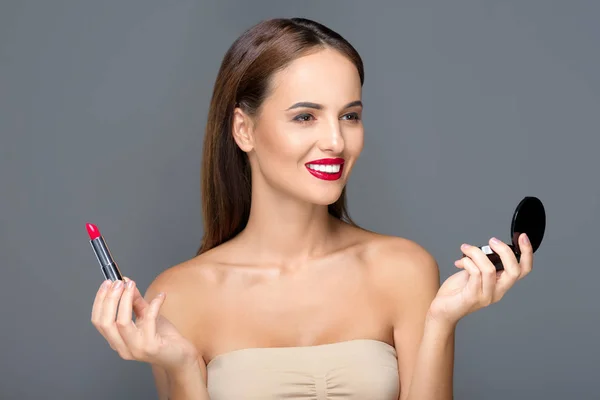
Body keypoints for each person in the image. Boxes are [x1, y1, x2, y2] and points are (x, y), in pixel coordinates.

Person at [90, 17, 534, 400]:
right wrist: (184, 366)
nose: (336, 142)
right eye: (305, 116)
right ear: (243, 130)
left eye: (350, 115)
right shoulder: (180, 294)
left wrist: (441, 321)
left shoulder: (404, 268)